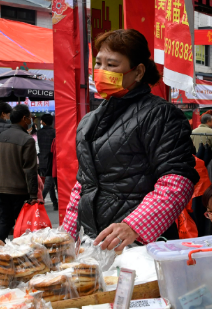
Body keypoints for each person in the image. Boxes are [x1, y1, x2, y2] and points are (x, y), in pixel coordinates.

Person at [61, 29, 198, 250]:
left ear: (138, 72)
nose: (101, 71)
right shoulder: (88, 121)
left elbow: (177, 181)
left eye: (112, 65)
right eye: (98, 63)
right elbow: (83, 185)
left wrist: (133, 226)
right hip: (93, 243)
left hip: (140, 244)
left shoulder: (160, 114)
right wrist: (66, 239)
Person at [0, 103, 40, 239]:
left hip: (0, 188)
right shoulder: (27, 140)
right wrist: (33, 195)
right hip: (19, 190)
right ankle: (20, 254)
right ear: (24, 118)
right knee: (22, 224)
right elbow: (30, 170)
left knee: (4, 221)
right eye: (30, 117)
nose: (31, 120)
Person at [35, 113, 58, 210]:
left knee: (50, 182)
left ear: (43, 122)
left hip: (42, 160)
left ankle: (55, 203)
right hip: (52, 160)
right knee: (49, 182)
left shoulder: (38, 133)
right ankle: (41, 199)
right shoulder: (55, 132)